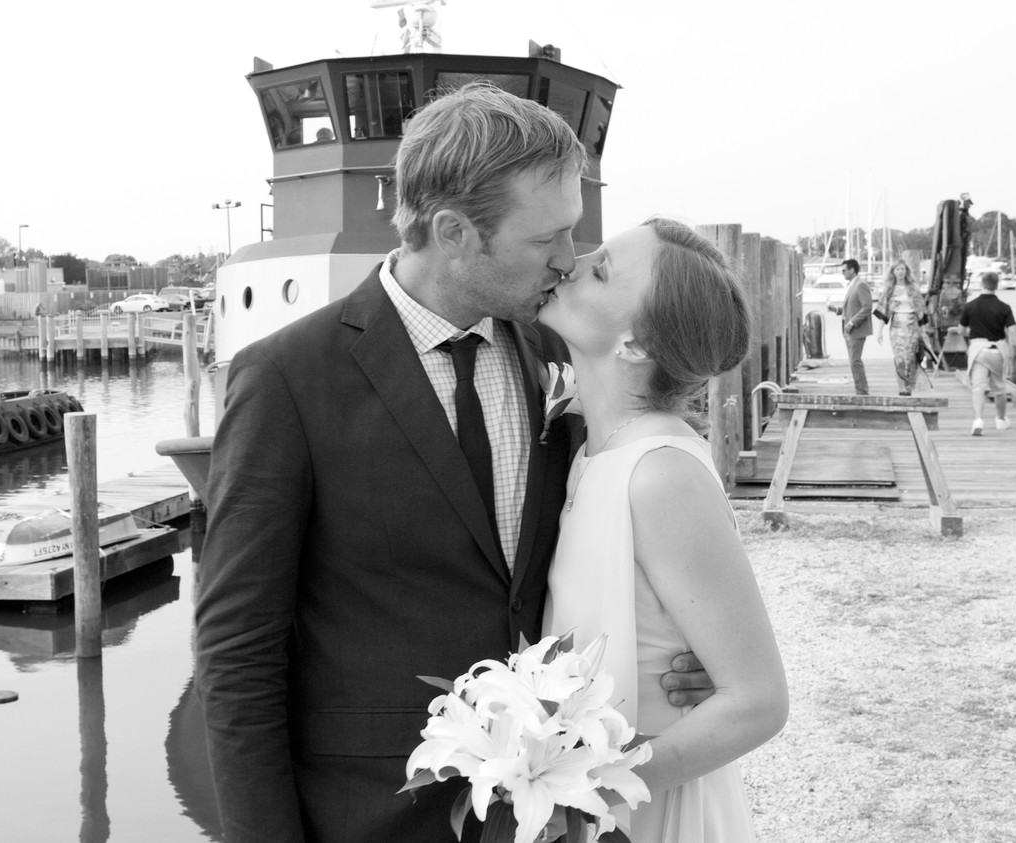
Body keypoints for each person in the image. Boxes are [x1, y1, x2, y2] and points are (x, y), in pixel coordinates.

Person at [194, 83, 712, 843]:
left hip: (550, 810)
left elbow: (620, 524)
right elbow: (237, 653)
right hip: (370, 814)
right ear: (454, 231)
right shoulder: (286, 379)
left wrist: (680, 645)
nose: (569, 261)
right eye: (547, 240)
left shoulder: (559, 352)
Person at [541, 219, 788, 843]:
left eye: (600, 268)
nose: (571, 260)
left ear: (634, 345)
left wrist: (595, 780)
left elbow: (757, 700)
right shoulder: (594, 446)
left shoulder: (658, 474)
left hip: (642, 806)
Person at [959, 271, 1016, 435]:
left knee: (978, 387)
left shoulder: (970, 306)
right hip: (997, 350)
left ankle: (978, 420)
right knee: (999, 387)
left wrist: (972, 330)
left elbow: (961, 330)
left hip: (978, 349)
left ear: (982, 284)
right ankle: (1000, 419)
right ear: (996, 285)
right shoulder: (1004, 307)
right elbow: (1014, 331)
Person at [877, 259, 925, 396]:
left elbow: (921, 311)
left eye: (902, 269)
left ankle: (909, 387)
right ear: (893, 272)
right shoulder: (889, 290)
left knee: (910, 356)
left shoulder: (913, 288)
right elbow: (884, 311)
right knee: (899, 358)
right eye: (897, 269)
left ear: (906, 271)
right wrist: (879, 331)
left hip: (911, 324)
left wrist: (923, 329)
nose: (900, 272)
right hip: (896, 325)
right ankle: (901, 388)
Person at [837, 258, 872, 395]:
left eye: (844, 270)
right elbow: (852, 307)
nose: (842, 273)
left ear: (852, 270)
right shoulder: (853, 285)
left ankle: (862, 392)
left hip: (856, 330)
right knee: (854, 361)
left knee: (855, 361)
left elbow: (867, 307)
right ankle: (861, 390)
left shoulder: (860, 285)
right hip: (849, 331)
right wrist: (837, 310)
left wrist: (851, 323)